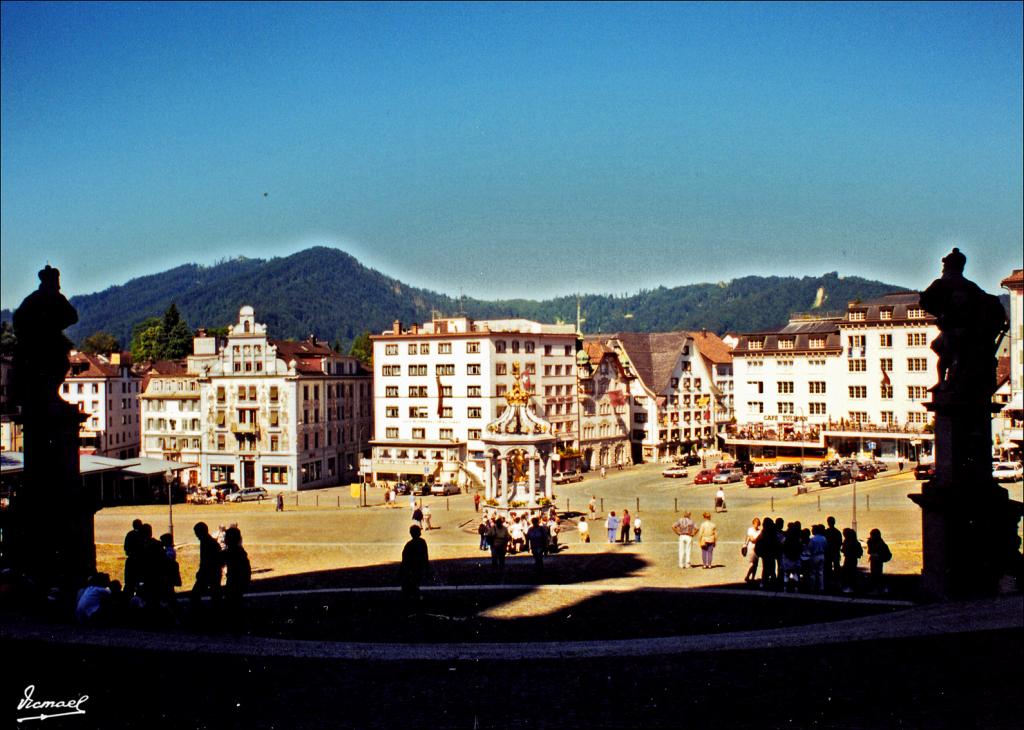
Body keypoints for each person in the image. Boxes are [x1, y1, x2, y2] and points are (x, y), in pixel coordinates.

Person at [191, 522, 224, 607]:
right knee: (215, 595)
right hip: (213, 572)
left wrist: (201, 573)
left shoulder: (206, 542)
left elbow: (206, 561)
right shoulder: (209, 541)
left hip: (209, 573)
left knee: (195, 595)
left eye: (196, 533)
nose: (196, 536)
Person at [400, 525, 430, 612]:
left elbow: (404, 559)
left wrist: (401, 571)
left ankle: (411, 604)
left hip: (410, 569)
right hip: (418, 568)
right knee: (414, 585)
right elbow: (425, 556)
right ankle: (417, 602)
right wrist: (427, 568)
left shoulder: (409, 545)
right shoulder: (422, 542)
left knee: (409, 586)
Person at [223, 526, 251, 617]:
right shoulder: (238, 551)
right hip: (236, 580)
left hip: (235, 581)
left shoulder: (234, 552)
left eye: (226, 537)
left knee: (233, 602)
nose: (224, 539)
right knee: (235, 601)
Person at [866, 528, 892, 594]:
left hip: (878, 560)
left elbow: (873, 551)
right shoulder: (873, 542)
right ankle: (876, 588)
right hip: (875, 560)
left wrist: (877, 555)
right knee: (875, 574)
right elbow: (869, 551)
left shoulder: (880, 544)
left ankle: (878, 588)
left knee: (877, 574)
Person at [841, 527, 863, 593]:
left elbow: (844, 550)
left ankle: (849, 587)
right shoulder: (856, 542)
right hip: (853, 559)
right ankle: (852, 587)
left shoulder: (848, 542)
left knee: (848, 573)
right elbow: (860, 552)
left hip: (849, 559)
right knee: (851, 573)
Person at [807, 524, 828, 593]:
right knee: (820, 572)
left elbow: (810, 548)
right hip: (822, 555)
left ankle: (812, 587)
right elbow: (826, 547)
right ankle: (821, 587)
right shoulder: (824, 538)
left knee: (813, 572)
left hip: (814, 556)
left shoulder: (812, 539)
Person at [824, 516, 843, 590]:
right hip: (835, 552)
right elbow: (840, 542)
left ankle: (828, 582)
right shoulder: (837, 532)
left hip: (828, 553)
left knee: (828, 568)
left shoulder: (826, 532)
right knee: (836, 567)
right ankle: (837, 582)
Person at [743, 517, 761, 583]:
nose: (756, 525)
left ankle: (753, 577)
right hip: (751, 548)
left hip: (757, 549)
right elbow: (752, 539)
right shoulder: (750, 530)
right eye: (755, 524)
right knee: (752, 564)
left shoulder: (760, 531)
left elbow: (756, 540)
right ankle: (747, 576)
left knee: (756, 564)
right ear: (753, 524)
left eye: (758, 524)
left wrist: (756, 540)